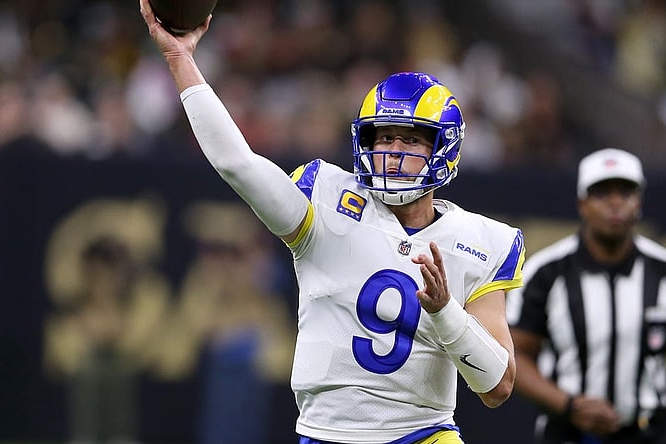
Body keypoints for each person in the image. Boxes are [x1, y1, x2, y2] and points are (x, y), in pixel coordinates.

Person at [138, 2, 526, 443]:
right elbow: (237, 163)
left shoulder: (480, 240)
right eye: (384, 137)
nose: (394, 151)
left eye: (411, 139)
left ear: (444, 149)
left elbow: (498, 386)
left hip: (424, 435)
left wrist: (444, 311)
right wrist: (180, 58)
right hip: (327, 434)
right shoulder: (325, 198)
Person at [506, 148, 666, 444]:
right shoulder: (545, 274)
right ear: (582, 203)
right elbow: (515, 356)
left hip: (649, 433)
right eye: (601, 193)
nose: (614, 203)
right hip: (567, 433)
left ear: (639, 201)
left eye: (625, 192)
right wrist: (568, 404)